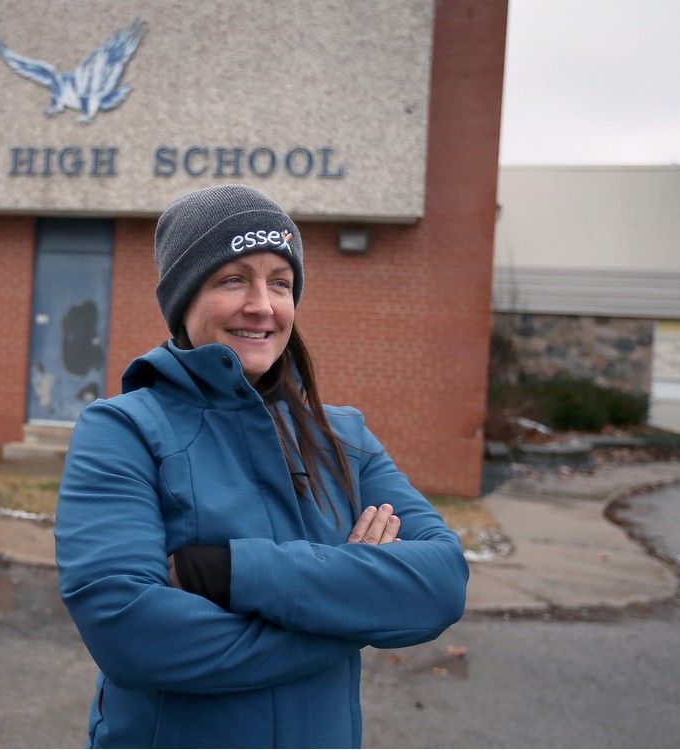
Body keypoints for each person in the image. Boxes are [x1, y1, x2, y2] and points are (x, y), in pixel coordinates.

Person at [55, 184, 469, 748]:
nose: (263, 305)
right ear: (184, 298)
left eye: (281, 282)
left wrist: (228, 571)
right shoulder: (124, 431)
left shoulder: (342, 436)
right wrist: (350, 608)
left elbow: (441, 582)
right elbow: (131, 633)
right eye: (233, 279)